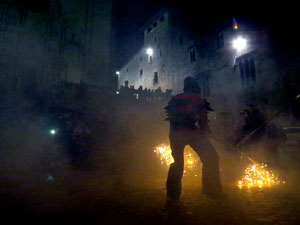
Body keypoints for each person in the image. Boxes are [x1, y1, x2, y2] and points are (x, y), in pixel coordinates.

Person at [165, 76, 224, 200]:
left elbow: (172, 118)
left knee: (178, 163)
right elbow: (202, 121)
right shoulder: (198, 99)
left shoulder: (175, 99)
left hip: (175, 133)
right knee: (211, 158)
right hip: (190, 132)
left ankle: (172, 195)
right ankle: (212, 191)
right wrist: (206, 132)